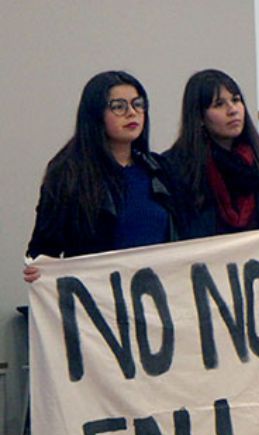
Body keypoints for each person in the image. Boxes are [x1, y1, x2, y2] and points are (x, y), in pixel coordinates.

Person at [24, 70, 180, 282]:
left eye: (138, 104)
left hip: (157, 298)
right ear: (95, 114)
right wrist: (40, 269)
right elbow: (43, 249)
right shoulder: (69, 173)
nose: (132, 113)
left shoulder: (159, 170)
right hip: (100, 302)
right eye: (118, 106)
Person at [165, 69, 259, 239]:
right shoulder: (176, 169)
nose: (232, 110)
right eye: (219, 104)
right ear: (199, 117)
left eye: (236, 100)